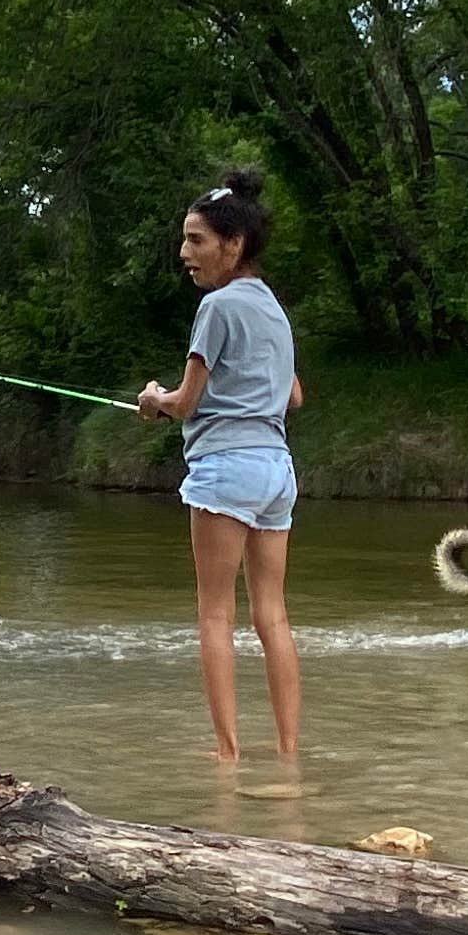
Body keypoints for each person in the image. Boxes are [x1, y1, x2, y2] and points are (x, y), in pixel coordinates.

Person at [136, 170, 302, 765]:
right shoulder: (275, 312)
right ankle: (287, 751)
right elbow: (294, 397)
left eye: (197, 240)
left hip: (225, 469)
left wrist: (154, 400)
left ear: (234, 246)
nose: (185, 253)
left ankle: (227, 752)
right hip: (277, 473)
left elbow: (186, 402)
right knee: (273, 615)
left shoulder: (217, 306)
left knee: (214, 612)